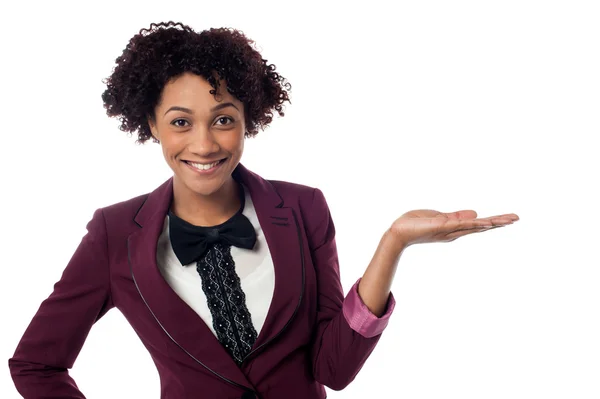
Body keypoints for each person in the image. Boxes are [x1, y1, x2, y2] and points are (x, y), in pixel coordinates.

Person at [7, 21, 519, 399]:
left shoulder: (302, 208)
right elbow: (36, 364)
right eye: (181, 122)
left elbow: (333, 369)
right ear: (153, 124)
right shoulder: (114, 232)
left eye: (224, 119)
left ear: (249, 119)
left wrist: (394, 244)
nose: (204, 144)